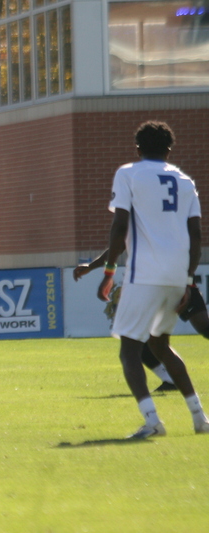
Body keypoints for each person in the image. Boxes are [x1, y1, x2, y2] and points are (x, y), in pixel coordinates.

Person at [96, 121, 209, 439]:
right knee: (160, 345)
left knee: (129, 352)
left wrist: (108, 273)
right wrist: (187, 281)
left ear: (137, 148)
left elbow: (120, 226)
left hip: (144, 274)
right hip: (176, 276)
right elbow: (197, 235)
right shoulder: (186, 181)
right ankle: (200, 418)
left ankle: (153, 422)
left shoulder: (129, 172)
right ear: (169, 150)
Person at [75, 252, 209, 392]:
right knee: (139, 338)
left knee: (136, 339)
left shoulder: (165, 232)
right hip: (160, 284)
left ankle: (162, 399)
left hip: (167, 284)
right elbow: (119, 243)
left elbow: (119, 241)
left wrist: (101, 272)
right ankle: (170, 381)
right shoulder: (144, 231)